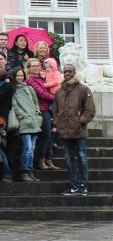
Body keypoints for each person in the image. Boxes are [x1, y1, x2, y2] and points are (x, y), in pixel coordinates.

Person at [54, 64, 96, 196]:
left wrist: (79, 122)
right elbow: (55, 112)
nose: (67, 73)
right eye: (65, 71)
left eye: (70, 71)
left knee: (82, 157)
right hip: (65, 131)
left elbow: (90, 111)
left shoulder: (84, 89)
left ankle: (83, 185)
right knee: (68, 158)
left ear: (74, 73)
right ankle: (73, 185)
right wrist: (57, 123)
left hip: (79, 130)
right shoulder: (59, 91)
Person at [10, 67, 42, 182]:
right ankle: (24, 171)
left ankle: (30, 170)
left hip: (34, 121)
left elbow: (36, 102)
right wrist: (23, 116)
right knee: (28, 147)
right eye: (17, 76)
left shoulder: (29, 88)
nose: (20, 77)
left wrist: (38, 114)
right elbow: (15, 106)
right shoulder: (13, 90)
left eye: (21, 75)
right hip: (23, 122)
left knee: (32, 148)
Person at [26, 58, 56, 170]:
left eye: (38, 65)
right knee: (46, 134)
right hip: (41, 108)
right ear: (28, 68)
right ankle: (40, 159)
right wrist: (56, 97)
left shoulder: (43, 78)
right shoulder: (30, 80)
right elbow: (41, 93)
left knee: (52, 135)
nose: (36, 68)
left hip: (50, 108)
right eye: (33, 66)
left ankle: (48, 159)